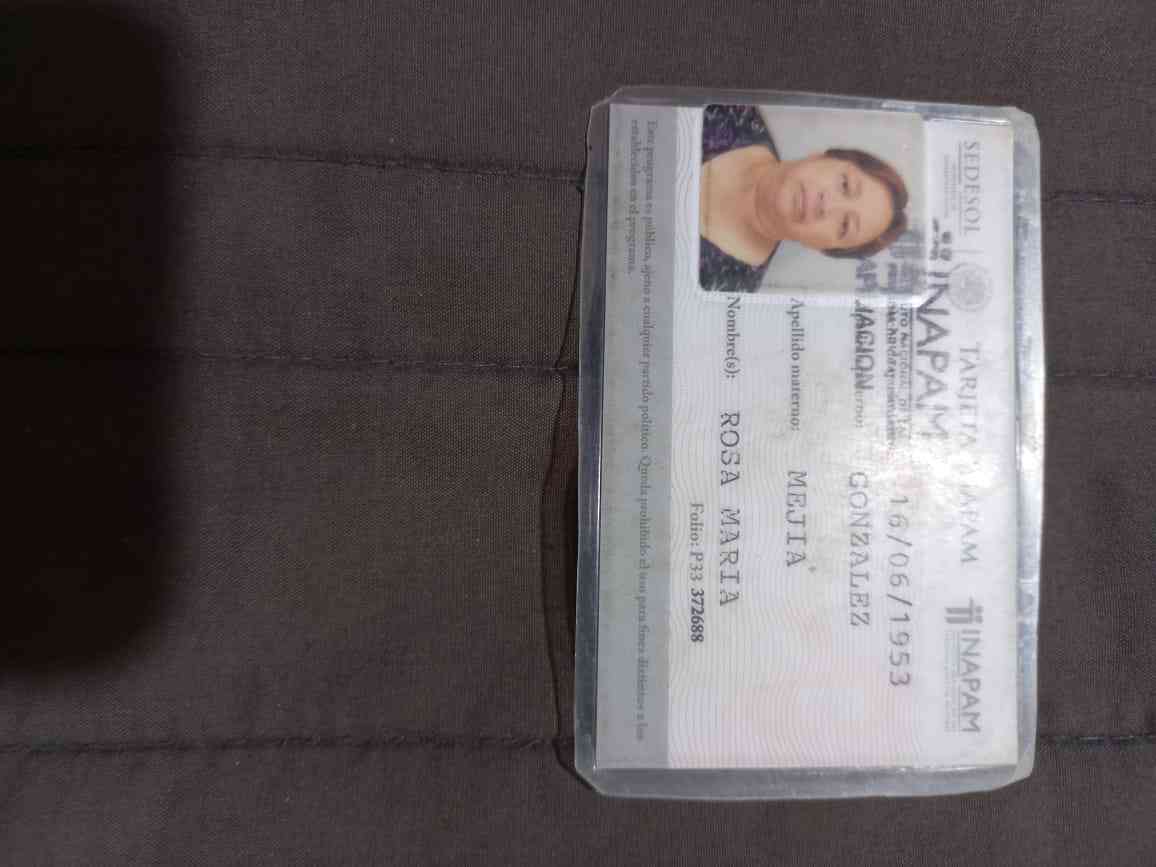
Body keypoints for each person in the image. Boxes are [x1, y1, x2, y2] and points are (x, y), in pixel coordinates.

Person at [699, 104, 909, 293]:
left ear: (824, 249)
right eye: (845, 185)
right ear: (822, 157)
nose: (827, 205)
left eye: (844, 225)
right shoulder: (728, 109)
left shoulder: (729, 288)